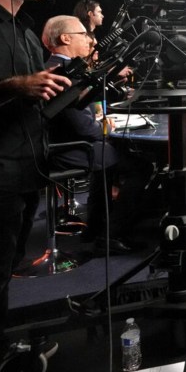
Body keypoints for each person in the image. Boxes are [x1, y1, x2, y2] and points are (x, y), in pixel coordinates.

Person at [0, 0, 70, 372]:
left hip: (26, 173)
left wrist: (79, 90)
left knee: (2, 275)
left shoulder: (27, 32)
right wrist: (15, 86)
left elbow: (42, 103)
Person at [41, 15, 138, 255]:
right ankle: (112, 235)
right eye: (83, 34)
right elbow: (84, 128)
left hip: (66, 145)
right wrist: (106, 129)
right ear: (65, 38)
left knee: (108, 162)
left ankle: (94, 230)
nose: (90, 41)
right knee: (139, 167)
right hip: (67, 150)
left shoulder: (58, 66)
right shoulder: (62, 71)